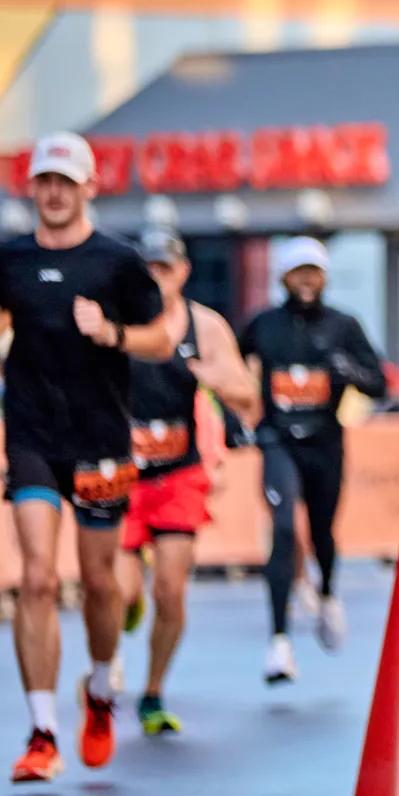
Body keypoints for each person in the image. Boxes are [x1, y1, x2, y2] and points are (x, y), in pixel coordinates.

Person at [0, 132, 174, 782]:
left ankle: (97, 690)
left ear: (90, 186)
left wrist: (114, 332)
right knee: (35, 578)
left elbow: (163, 338)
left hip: (101, 440)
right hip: (32, 434)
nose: (55, 192)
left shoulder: (117, 263)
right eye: (44, 181)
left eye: (67, 180)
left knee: (99, 583)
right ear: (32, 188)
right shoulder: (8, 257)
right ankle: (41, 732)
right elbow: (2, 305)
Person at [114, 230, 261, 735]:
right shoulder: (119, 321)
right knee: (118, 588)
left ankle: (152, 692)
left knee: (171, 592)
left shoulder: (205, 325)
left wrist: (213, 377)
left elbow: (246, 393)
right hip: (123, 475)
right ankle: (121, 616)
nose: (158, 276)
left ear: (183, 272)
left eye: (166, 267)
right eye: (149, 267)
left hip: (179, 474)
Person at [240, 237, 387, 684]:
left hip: (325, 442)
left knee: (323, 530)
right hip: (278, 440)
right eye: (298, 272)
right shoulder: (263, 325)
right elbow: (229, 369)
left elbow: (381, 383)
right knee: (283, 528)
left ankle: (326, 593)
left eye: (314, 272)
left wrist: (352, 373)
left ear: (324, 277)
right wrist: (232, 416)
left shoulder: (344, 325)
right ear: (283, 278)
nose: (306, 280)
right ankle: (279, 642)